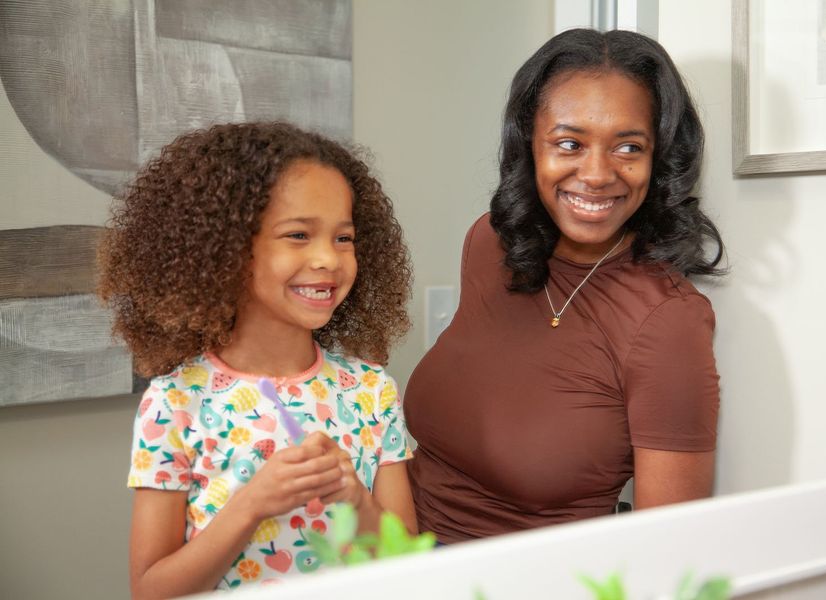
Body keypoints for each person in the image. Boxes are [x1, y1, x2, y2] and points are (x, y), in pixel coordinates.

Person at [404, 28, 725, 544]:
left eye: (628, 146)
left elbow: (670, 549)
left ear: (659, 158)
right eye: (570, 143)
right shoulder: (490, 242)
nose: (597, 174)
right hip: (391, 550)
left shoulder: (667, 321)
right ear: (529, 144)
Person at [97, 122, 416, 596]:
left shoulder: (371, 392)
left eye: (343, 238)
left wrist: (356, 499)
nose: (328, 258)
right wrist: (252, 504)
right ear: (225, 250)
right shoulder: (176, 404)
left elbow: (407, 564)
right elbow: (151, 589)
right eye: (298, 235)